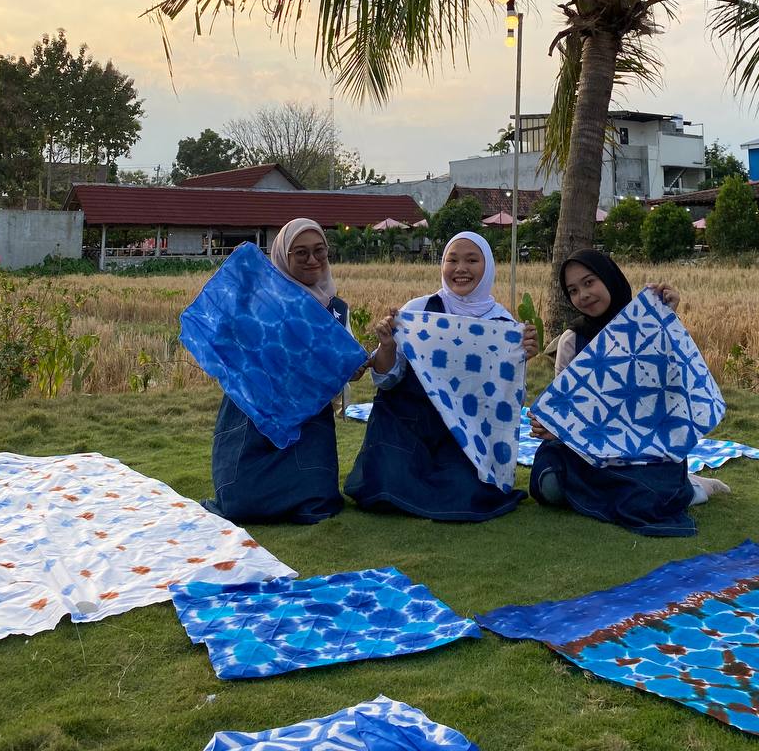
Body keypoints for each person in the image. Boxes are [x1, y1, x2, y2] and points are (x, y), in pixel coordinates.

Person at [529, 249, 729, 537]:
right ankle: (611, 491)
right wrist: (553, 427)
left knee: (643, 499)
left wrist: (666, 318)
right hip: (585, 448)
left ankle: (693, 487)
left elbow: (671, 386)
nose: (583, 295)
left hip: (642, 445)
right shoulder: (572, 340)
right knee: (547, 482)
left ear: (609, 278)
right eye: (573, 290)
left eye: (589, 282)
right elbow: (567, 404)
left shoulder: (644, 327)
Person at [344, 231, 538, 522]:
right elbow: (387, 379)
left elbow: (505, 401)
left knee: (467, 489)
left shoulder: (503, 325)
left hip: (465, 434)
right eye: (452, 260)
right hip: (409, 424)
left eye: (472, 260)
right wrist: (387, 346)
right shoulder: (418, 311)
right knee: (387, 478)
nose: (461, 269)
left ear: (488, 267)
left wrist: (521, 358)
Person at [204, 219, 366, 525]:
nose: (312, 259)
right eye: (301, 252)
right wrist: (243, 288)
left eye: (319, 251)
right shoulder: (260, 300)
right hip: (252, 414)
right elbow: (223, 340)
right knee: (240, 501)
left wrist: (362, 363)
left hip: (308, 418)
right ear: (283, 255)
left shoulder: (335, 309)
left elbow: (345, 366)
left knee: (317, 502)